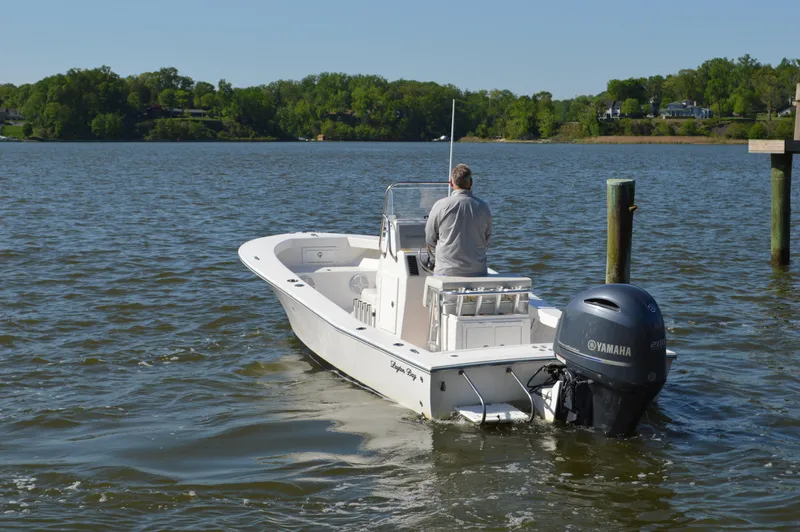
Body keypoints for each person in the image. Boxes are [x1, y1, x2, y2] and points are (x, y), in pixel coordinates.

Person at [424, 163, 492, 276]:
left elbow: (429, 238)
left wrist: (434, 259)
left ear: (451, 182)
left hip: (446, 271)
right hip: (478, 271)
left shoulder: (440, 205)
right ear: (471, 183)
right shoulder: (483, 207)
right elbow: (487, 239)